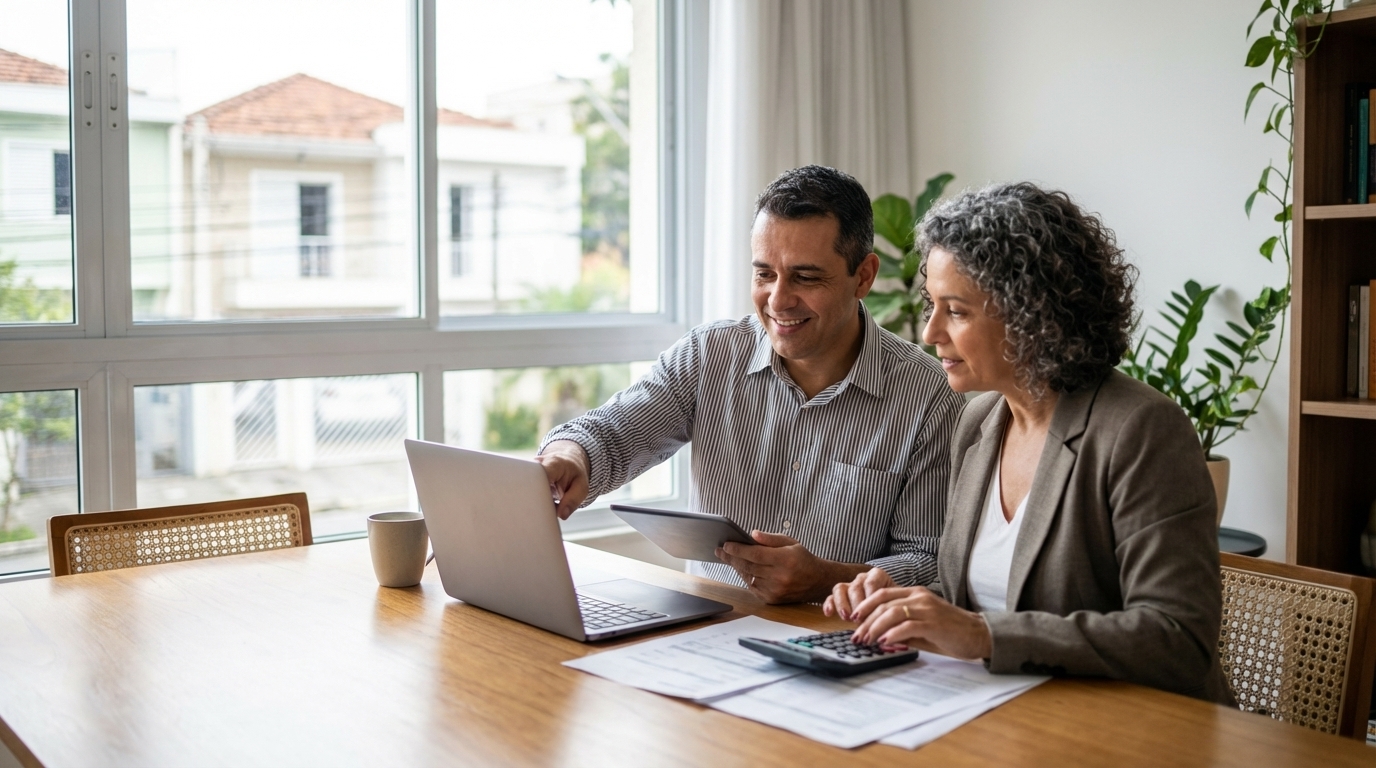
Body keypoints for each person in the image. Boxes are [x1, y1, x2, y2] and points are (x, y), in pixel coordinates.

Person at [825, 182, 1233, 703]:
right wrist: (904, 603)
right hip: (1007, 713)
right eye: (932, 304)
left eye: (957, 310)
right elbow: (978, 597)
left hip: (1138, 733)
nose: (929, 332)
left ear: (1031, 317)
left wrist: (983, 636)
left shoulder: (1141, 430)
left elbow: (1176, 639)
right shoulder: (978, 422)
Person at [537, 165, 964, 604]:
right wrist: (571, 455)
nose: (778, 300)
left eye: (806, 277)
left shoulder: (929, 397)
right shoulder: (709, 355)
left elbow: (929, 561)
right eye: (764, 274)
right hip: (703, 630)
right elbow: (610, 434)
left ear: (864, 276)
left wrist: (826, 578)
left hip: (834, 642)